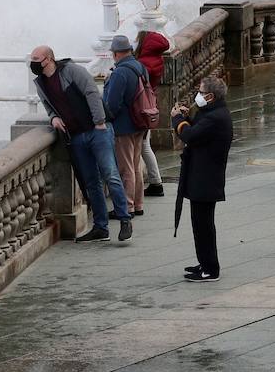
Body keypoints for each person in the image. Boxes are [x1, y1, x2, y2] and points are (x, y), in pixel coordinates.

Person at [30, 46, 132, 244]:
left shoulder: (71, 70)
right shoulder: (41, 83)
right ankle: (101, 228)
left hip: (97, 130)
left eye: (36, 58)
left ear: (49, 59)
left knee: (110, 174)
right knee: (91, 182)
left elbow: (91, 92)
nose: (32, 63)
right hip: (76, 137)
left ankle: (125, 219)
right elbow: (49, 109)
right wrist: (53, 120)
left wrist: (100, 121)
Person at [171, 73, 231, 282]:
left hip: (206, 178)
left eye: (202, 92)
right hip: (203, 176)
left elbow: (190, 136)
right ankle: (205, 262)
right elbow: (197, 131)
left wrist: (177, 119)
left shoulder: (215, 117)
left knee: (204, 225)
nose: (198, 95)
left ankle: (210, 269)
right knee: (200, 224)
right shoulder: (211, 112)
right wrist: (187, 118)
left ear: (211, 96)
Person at [103, 35, 147, 216]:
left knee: (125, 168)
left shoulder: (120, 72)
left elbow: (112, 104)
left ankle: (126, 207)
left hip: (124, 127)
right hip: (140, 122)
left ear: (115, 54)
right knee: (136, 165)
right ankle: (138, 204)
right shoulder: (140, 67)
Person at [136, 30, 171, 197]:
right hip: (150, 105)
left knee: (143, 146)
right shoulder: (156, 59)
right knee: (145, 145)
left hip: (142, 108)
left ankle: (156, 183)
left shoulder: (143, 63)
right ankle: (155, 182)